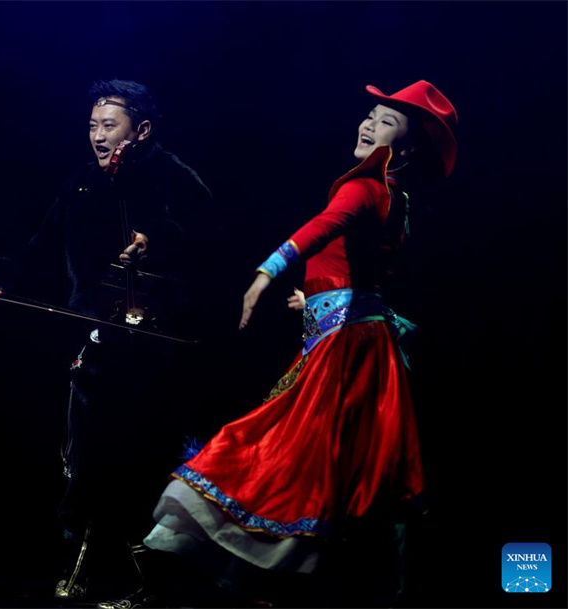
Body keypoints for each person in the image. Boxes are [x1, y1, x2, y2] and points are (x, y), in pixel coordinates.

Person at [101, 80, 458, 607]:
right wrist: (313, 299)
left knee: (275, 450)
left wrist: (265, 274)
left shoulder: (364, 187)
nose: (368, 124)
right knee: (341, 472)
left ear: (404, 151)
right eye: (370, 114)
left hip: (344, 351)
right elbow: (362, 276)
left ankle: (184, 567)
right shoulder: (396, 199)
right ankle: (300, 582)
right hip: (361, 345)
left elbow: (322, 228)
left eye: (386, 123)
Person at [0, 79, 217, 601]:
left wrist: (154, 239)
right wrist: (3, 275)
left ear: (141, 130)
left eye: (109, 126)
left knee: (145, 453)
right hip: (98, 339)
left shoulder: (175, 177)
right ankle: (90, 566)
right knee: (86, 456)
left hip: (157, 345)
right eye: (92, 126)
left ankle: (159, 580)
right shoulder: (82, 183)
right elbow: (42, 242)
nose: (98, 136)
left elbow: (199, 236)